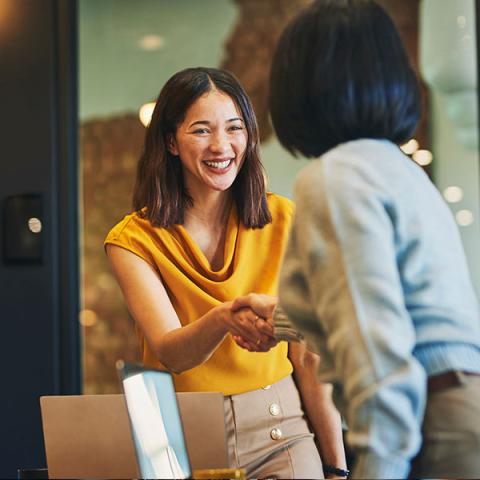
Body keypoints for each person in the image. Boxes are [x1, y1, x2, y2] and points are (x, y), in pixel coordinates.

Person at [233, 1, 480, 478]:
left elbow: (376, 352)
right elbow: (393, 303)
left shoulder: (335, 179)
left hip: (433, 423)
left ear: (300, 85)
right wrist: (280, 318)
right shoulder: (396, 168)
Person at [104, 67, 346, 479]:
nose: (221, 146)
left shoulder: (286, 220)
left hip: (281, 430)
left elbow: (309, 360)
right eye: (201, 131)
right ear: (170, 142)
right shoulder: (132, 241)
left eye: (234, 128)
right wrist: (223, 317)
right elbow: (172, 354)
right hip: (177, 442)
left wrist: (337, 468)